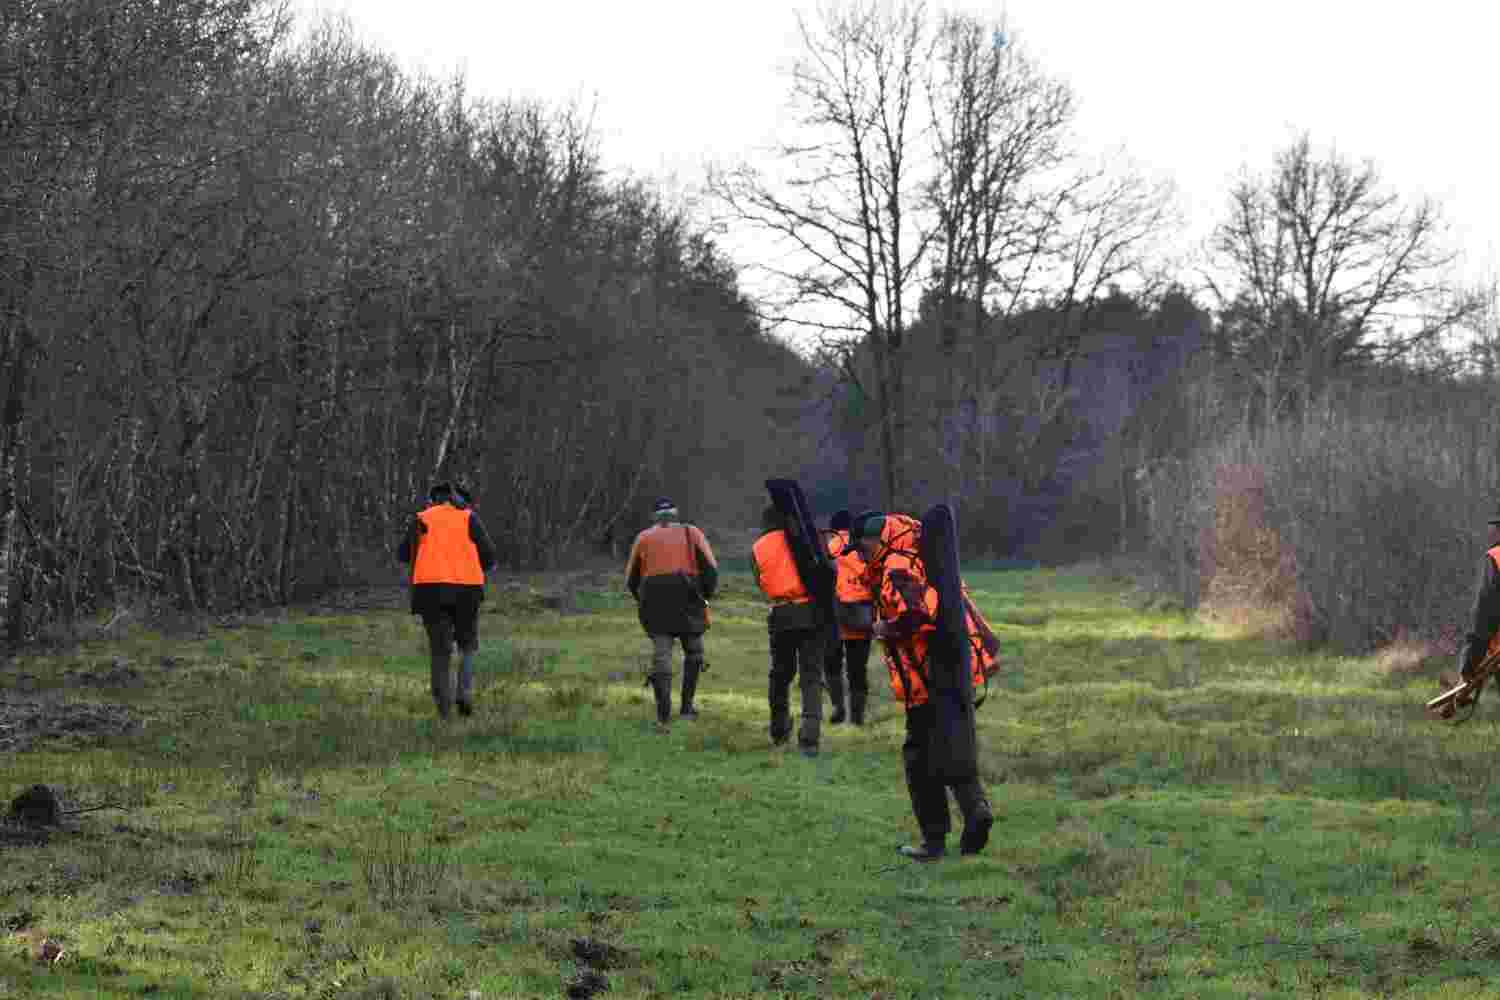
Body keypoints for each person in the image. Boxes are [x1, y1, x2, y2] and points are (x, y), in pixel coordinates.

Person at [848, 511, 998, 862]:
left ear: (876, 540)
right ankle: (977, 812)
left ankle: (933, 843)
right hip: (952, 672)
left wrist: (884, 629)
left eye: (862, 546)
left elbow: (916, 614)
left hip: (926, 678)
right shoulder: (920, 554)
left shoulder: (896, 565)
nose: (860, 554)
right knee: (953, 745)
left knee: (919, 759)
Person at [397, 481, 498, 720]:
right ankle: (464, 693)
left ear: (433, 498)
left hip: (429, 592)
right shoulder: (469, 518)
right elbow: (490, 556)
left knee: (440, 653)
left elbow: (402, 554)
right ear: (461, 500)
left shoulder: (421, 518)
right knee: (467, 645)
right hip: (467, 591)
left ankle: (444, 715)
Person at [625, 497, 719, 729]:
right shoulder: (691, 532)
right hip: (688, 595)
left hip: (654, 600)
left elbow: (631, 579)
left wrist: (643, 601)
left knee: (662, 655)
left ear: (654, 517)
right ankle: (686, 708)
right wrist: (705, 596)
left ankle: (663, 716)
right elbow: (711, 568)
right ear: (676, 515)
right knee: (694, 652)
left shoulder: (643, 538)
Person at [752, 505, 826, 757]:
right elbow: (826, 572)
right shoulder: (806, 540)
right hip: (810, 613)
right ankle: (810, 738)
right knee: (811, 676)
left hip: (781, 614)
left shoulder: (759, 546)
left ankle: (779, 730)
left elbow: (760, 581)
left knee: (780, 675)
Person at [1442, 507, 1500, 707]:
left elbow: (1484, 615)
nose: (1490, 533)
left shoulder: (1496, 557)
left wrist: (1468, 667)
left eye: (1493, 528)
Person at [822, 509, 874, 725]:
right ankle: (857, 718)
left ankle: (838, 708)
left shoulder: (829, 547)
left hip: (835, 616)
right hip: (862, 615)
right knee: (857, 668)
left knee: (832, 663)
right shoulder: (865, 546)